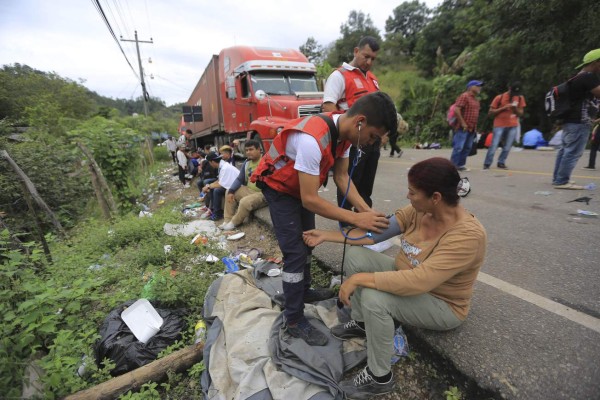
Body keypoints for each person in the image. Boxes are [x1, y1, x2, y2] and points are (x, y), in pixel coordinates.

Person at [303, 157, 487, 399]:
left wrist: (358, 280)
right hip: (406, 275)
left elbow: (419, 281)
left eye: (412, 192)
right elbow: (374, 233)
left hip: (441, 303)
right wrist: (326, 235)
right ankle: (361, 323)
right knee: (356, 256)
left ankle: (379, 377)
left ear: (436, 198)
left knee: (373, 295)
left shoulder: (467, 236)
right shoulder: (420, 211)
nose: (407, 196)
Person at [252, 92, 398, 346]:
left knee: (308, 239)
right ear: (360, 122)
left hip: (298, 188)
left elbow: (342, 177)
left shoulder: (345, 134)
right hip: (279, 190)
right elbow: (310, 199)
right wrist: (357, 219)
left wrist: (365, 211)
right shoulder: (312, 139)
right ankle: (294, 319)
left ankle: (304, 289)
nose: (371, 143)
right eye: (373, 136)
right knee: (295, 252)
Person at [322, 36, 383, 212]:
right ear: (356, 51)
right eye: (366, 56)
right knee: (349, 180)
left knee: (367, 182)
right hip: (352, 140)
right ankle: (346, 218)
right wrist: (341, 137)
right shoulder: (339, 75)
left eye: (373, 58)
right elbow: (329, 107)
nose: (369, 61)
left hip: (371, 140)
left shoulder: (372, 78)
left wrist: (381, 135)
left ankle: (365, 215)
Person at [552, 49, 600, 189]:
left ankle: (559, 178)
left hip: (571, 120)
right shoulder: (588, 77)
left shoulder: (578, 76)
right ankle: (562, 181)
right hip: (579, 120)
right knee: (572, 151)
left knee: (565, 150)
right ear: (596, 62)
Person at [219, 140, 267, 231]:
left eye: (251, 149)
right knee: (228, 191)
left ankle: (233, 223)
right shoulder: (247, 163)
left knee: (245, 202)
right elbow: (240, 179)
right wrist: (232, 191)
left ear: (259, 150)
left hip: (263, 193)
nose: (248, 152)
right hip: (249, 190)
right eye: (247, 150)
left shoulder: (265, 161)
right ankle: (227, 220)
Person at [484, 82, 526, 170]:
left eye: (516, 93)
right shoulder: (499, 97)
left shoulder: (520, 97)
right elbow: (490, 112)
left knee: (508, 146)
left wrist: (515, 109)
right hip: (499, 124)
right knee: (494, 145)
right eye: (513, 92)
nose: (515, 94)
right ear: (509, 88)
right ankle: (487, 163)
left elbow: (521, 113)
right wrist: (503, 108)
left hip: (513, 125)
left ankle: (501, 162)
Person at [450, 80, 483, 171]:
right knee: (459, 147)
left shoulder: (476, 100)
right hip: (463, 127)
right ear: (471, 87)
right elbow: (457, 110)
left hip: (472, 128)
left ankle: (460, 165)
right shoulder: (464, 96)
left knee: (467, 147)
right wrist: (463, 123)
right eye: (477, 86)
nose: (480, 88)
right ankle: (452, 166)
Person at [200, 152, 239, 221]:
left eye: (209, 163)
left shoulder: (224, 167)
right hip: (231, 184)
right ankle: (212, 209)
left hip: (237, 186)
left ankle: (218, 213)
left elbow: (220, 184)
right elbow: (219, 180)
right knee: (212, 187)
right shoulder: (221, 165)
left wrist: (208, 187)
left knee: (216, 190)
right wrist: (209, 186)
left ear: (212, 162)